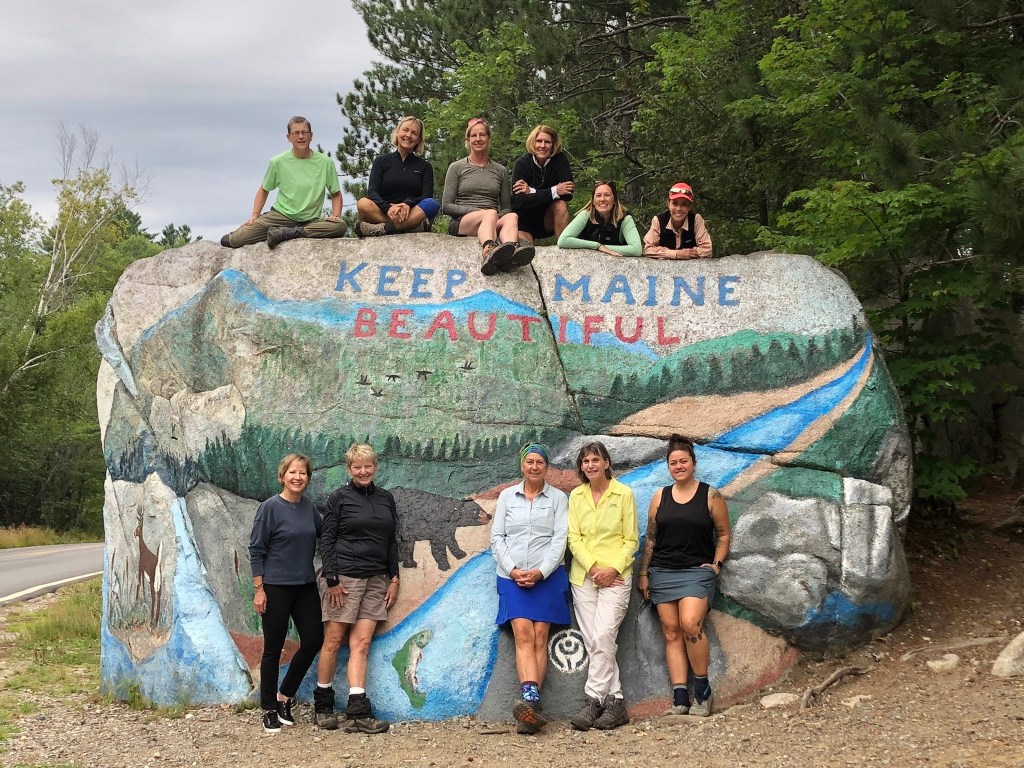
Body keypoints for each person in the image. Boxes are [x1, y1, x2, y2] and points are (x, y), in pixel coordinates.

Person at [636, 435, 731, 717]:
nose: (678, 466)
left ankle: (702, 691)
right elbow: (651, 539)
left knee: (690, 624)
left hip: (696, 572)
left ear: (693, 463)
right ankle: (680, 698)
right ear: (668, 466)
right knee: (671, 631)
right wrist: (644, 572)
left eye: (683, 461)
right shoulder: (659, 497)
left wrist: (716, 564)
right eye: (673, 462)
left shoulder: (711, 495)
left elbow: (724, 534)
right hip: (662, 571)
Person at [313, 444, 399, 734]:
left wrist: (394, 577)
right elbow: (327, 539)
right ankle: (323, 705)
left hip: (376, 580)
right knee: (334, 641)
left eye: (368, 465)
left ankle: (357, 711)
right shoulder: (339, 498)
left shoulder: (386, 499)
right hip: (344, 580)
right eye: (357, 467)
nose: (363, 471)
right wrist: (332, 579)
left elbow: (391, 542)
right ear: (349, 469)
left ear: (375, 466)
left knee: (361, 644)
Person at [489, 443, 570, 734]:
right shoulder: (507, 497)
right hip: (511, 577)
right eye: (529, 462)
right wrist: (513, 570)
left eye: (539, 462)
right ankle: (530, 698)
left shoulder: (559, 499)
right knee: (523, 631)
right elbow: (497, 537)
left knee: (540, 635)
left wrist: (539, 572)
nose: (534, 467)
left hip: (546, 577)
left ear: (546, 467)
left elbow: (560, 539)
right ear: (522, 466)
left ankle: (531, 709)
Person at [248, 453, 324, 734]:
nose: (297, 477)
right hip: (276, 587)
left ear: (307, 478)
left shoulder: (309, 509)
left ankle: (284, 697)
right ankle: (268, 708)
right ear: (283, 476)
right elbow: (256, 549)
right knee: (273, 649)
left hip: (304, 586)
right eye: (293, 472)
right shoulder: (269, 508)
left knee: (314, 639)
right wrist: (259, 589)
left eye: (303, 473)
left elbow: (324, 535)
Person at [566, 442, 639, 731]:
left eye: (596, 460)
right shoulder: (576, 496)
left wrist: (612, 569)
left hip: (616, 577)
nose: (591, 465)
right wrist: (595, 569)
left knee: (604, 634)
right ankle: (616, 702)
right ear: (581, 467)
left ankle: (592, 700)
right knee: (596, 641)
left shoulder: (624, 494)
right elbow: (574, 538)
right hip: (584, 576)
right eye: (585, 461)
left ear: (607, 463)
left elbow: (631, 540)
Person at [221, 116, 347, 250]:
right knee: (233, 240)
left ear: (311, 136)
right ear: (289, 137)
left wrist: (335, 215)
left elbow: (336, 193)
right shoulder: (278, 162)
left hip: (311, 220)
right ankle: (282, 231)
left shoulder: (325, 162)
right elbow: (264, 189)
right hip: (281, 216)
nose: (300, 137)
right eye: (296, 133)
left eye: (304, 132)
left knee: (340, 226)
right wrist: (255, 215)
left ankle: (290, 233)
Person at [442, 117, 531, 275]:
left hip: (491, 220)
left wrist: (493, 216)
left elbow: (505, 207)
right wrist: (480, 212)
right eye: (474, 136)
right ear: (468, 140)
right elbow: (446, 206)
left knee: (512, 217)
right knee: (490, 213)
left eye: (482, 135)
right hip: (463, 222)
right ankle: (488, 250)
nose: (478, 139)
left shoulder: (500, 170)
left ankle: (511, 252)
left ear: (489, 138)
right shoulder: (456, 167)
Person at [355, 116, 440, 237]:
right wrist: (388, 208)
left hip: (411, 212)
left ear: (418, 139)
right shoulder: (381, 161)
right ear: (397, 132)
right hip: (385, 212)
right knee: (362, 203)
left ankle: (385, 228)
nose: (408, 135)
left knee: (432, 204)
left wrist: (407, 203)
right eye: (405, 130)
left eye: (414, 133)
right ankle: (409, 227)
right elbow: (372, 192)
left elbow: (426, 195)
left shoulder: (424, 166)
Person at [511, 124, 574, 243]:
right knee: (525, 251)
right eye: (539, 141)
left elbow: (567, 194)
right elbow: (518, 201)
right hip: (525, 221)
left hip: (548, 219)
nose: (542, 146)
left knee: (560, 204)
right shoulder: (522, 163)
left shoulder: (560, 160)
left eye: (547, 142)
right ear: (532, 143)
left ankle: (565, 247)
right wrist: (554, 191)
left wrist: (531, 191)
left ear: (553, 144)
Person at [556, 180, 642, 257]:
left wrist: (604, 248)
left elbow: (636, 249)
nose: (602, 199)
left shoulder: (625, 219)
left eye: (607, 195)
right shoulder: (585, 215)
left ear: (615, 200)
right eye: (598, 195)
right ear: (593, 201)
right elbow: (563, 240)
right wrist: (597, 246)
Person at [641, 181, 713, 259]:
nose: (678, 209)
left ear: (689, 207)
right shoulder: (658, 220)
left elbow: (707, 250)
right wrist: (676, 254)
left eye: (684, 204)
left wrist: (688, 254)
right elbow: (647, 249)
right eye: (675, 204)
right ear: (668, 204)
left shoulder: (696, 219)